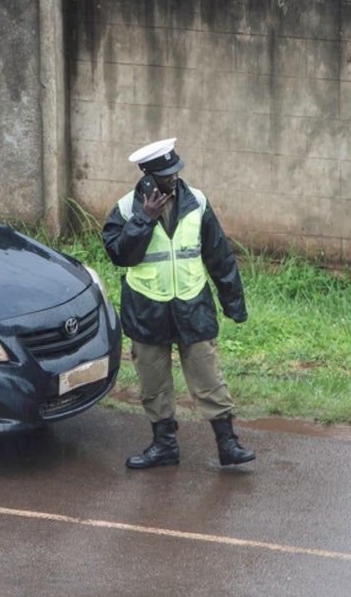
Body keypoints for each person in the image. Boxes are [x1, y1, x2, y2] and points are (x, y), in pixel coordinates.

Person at [101, 139, 255, 470]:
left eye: (176, 170)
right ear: (148, 175)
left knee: (209, 378)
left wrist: (234, 304)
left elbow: (219, 256)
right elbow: (119, 255)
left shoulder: (196, 202)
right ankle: (164, 446)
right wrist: (144, 219)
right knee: (154, 384)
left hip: (192, 306)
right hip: (147, 309)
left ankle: (228, 444)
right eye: (166, 173)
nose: (174, 176)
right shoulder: (127, 208)